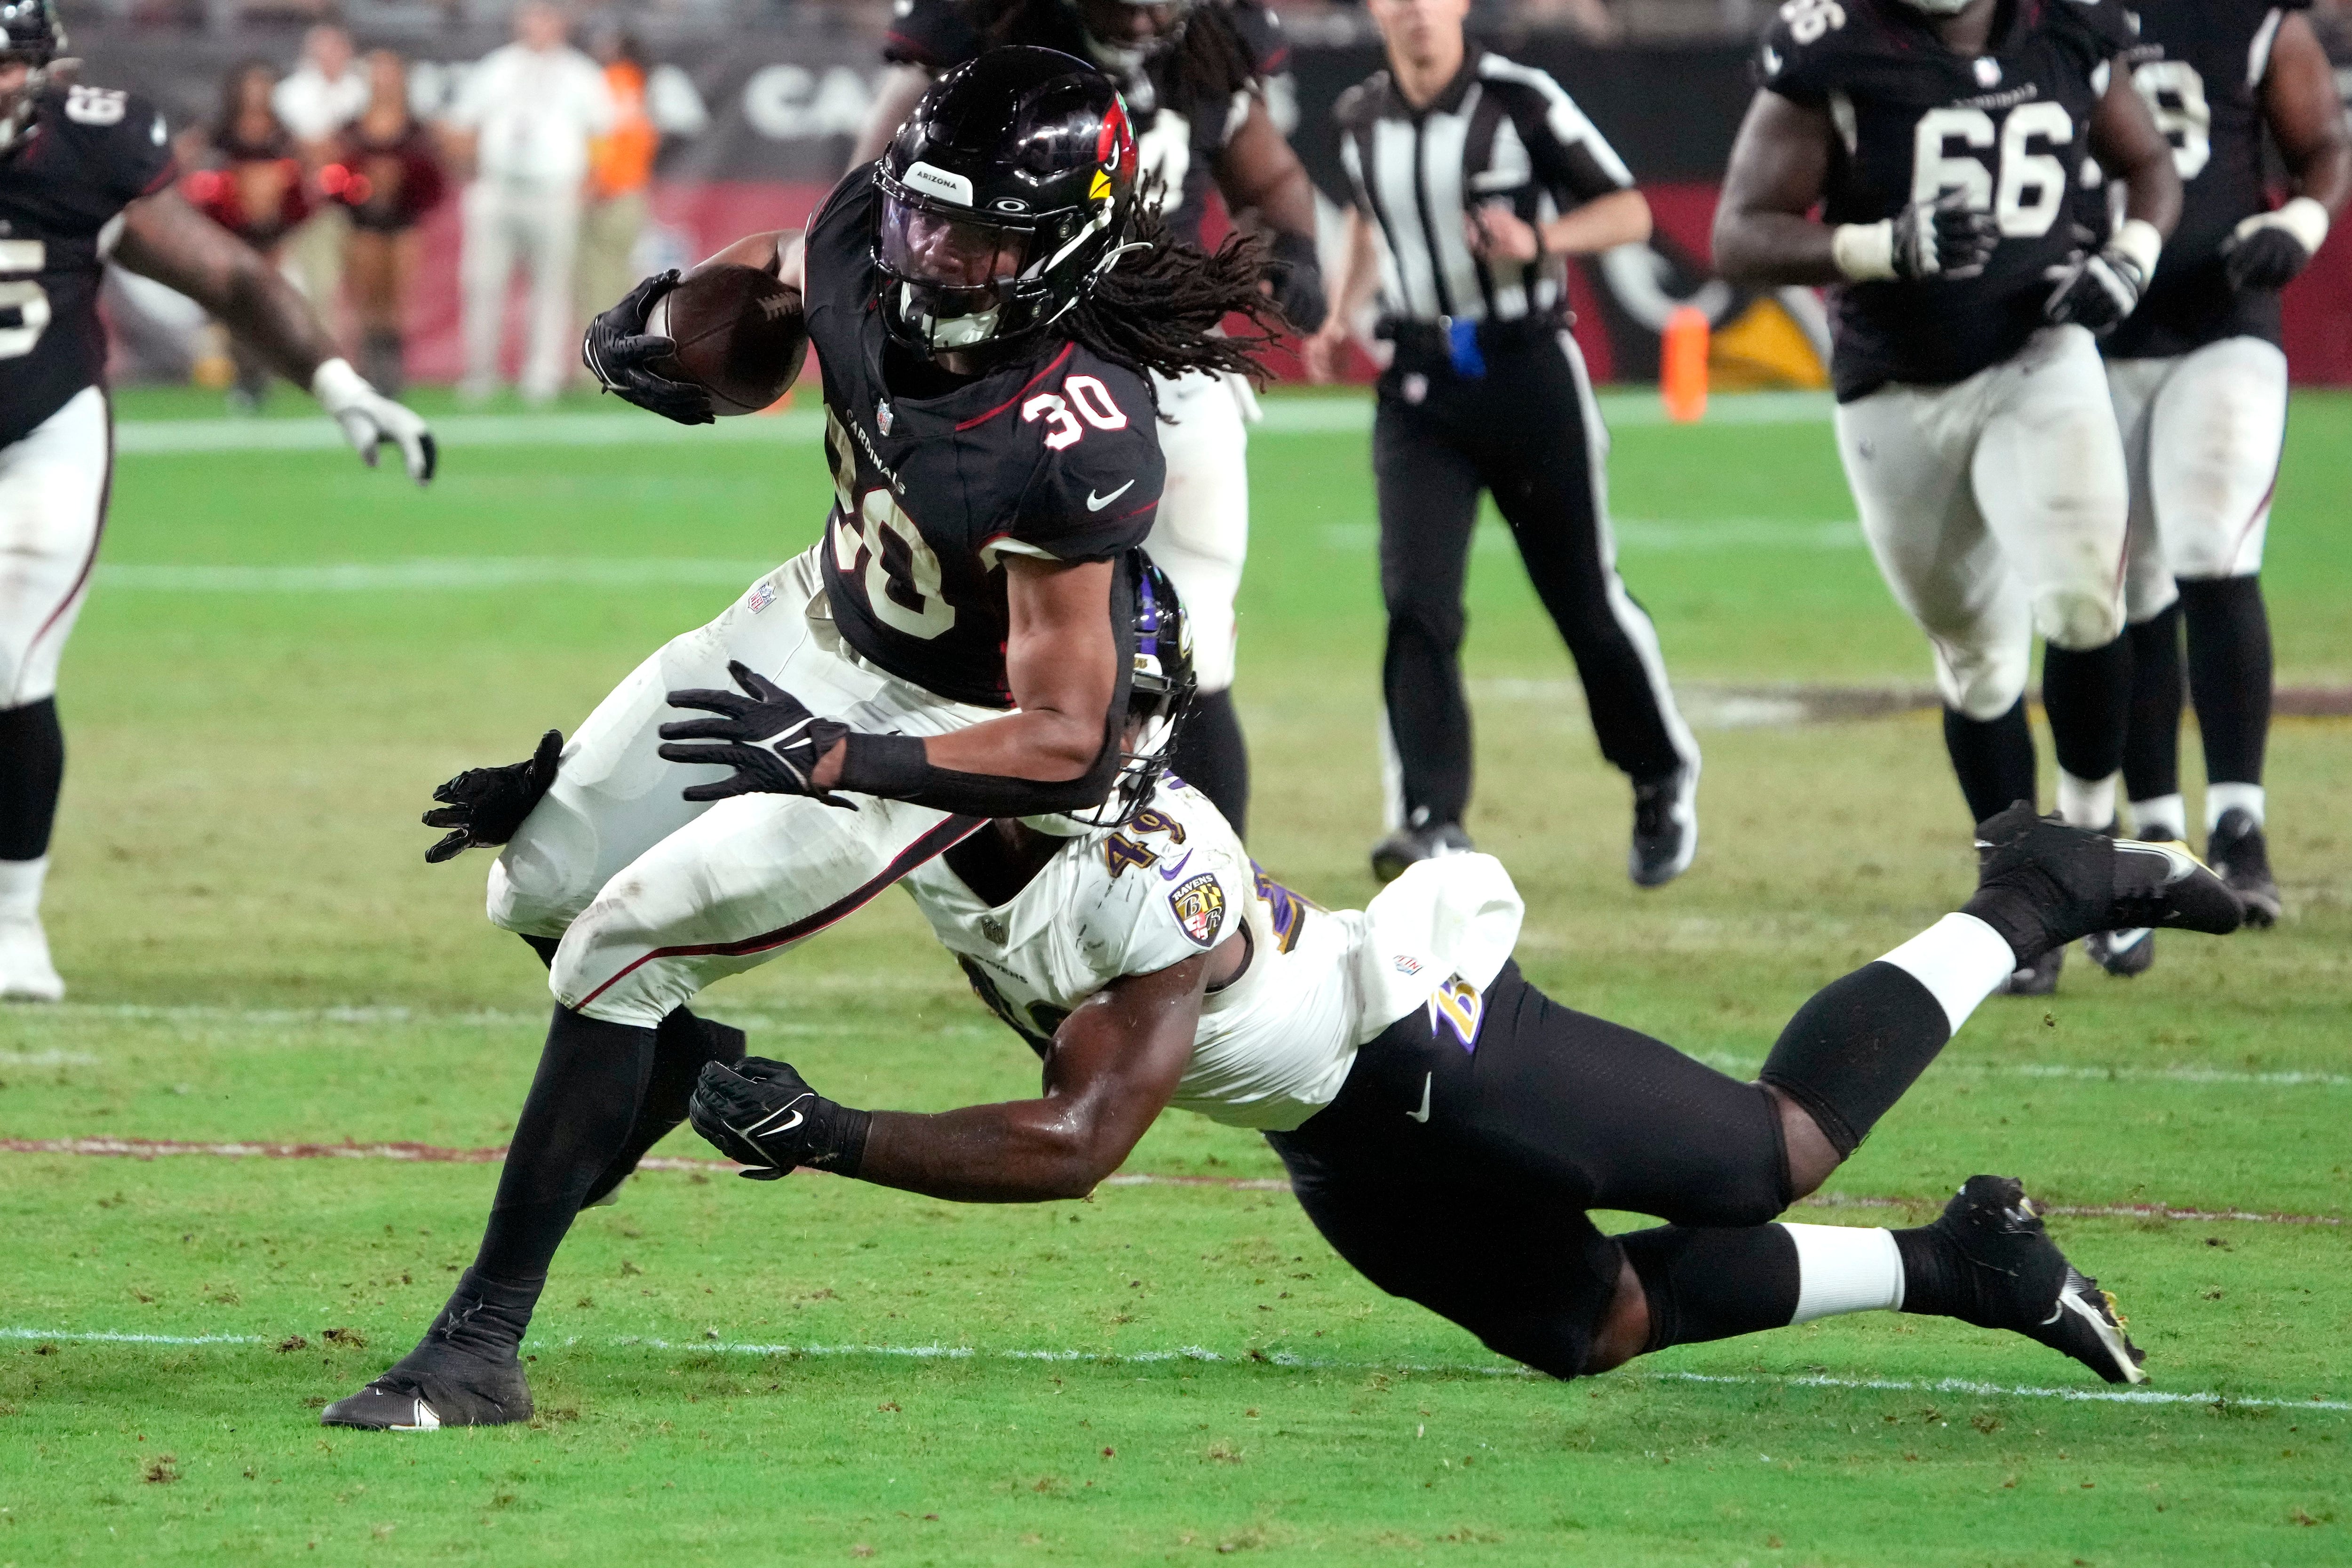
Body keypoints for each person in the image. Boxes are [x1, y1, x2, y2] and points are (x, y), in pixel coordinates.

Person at [318, 48, 1279, 1431]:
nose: (932, 255)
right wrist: (660, 327)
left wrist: (845, 762)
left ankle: (478, 1343)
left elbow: (1067, 738)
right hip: (811, 620)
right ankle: (658, 1077)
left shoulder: (1081, 426)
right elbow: (783, 272)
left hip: (931, 718)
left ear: (1060, 246)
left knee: (615, 943)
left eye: (976, 235)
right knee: (530, 881)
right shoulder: (875, 231)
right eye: (922, 215)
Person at [676, 572, 2241, 1395]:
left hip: (1414, 1032)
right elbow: (775, 791)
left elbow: (1084, 1139)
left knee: (1770, 1157)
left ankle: (2028, 891)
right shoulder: (939, 805)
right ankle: (1961, 1265)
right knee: (1599, 1324)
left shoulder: (1156, 867)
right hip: (1327, 1136)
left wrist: (832, 1131)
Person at [1711, 0, 2183, 994]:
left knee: (2082, 600)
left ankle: (2087, 844)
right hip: (1894, 383)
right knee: (1974, 661)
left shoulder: (2067, 28)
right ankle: (2019, 889)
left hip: (2037, 352)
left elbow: (2150, 168)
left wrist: (2129, 260)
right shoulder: (1836, 46)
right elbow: (1738, 235)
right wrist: (1883, 245)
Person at [0, 0, 434, 1002]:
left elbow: (229, 277)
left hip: (40, 432)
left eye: (8, 66)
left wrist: (341, 384)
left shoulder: (86, 150)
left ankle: (14, 921)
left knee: (12, 658)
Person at [850, 0, 1329, 838]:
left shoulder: (1212, 41)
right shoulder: (987, 24)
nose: (1148, 12)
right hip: (1011, 376)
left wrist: (1293, 249)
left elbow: (1273, 179)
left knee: (1197, 653)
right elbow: (871, 188)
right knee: (995, 661)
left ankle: (1208, 901)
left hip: (1162, 368)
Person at [1300, 0, 1701, 891]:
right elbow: (1368, 216)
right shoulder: (1361, 113)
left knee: (1583, 601)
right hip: (1417, 384)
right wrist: (1338, 315)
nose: (1414, 12)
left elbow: (1629, 211)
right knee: (1417, 603)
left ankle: (1658, 774)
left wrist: (1543, 239)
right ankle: (1430, 818)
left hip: (1527, 376)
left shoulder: (1521, 101)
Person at [2098, 0, 2352, 965]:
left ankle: (2239, 827)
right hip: (2088, 330)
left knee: (2212, 552)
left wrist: (2305, 219)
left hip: (2218, 316)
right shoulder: (2041, 19)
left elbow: (2323, 140)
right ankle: (2151, 840)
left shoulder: (2245, 16)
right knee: (2123, 588)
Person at [442, 0, 614, 404]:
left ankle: (543, 376)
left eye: (544, 16)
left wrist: (588, 184)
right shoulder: (496, 67)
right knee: (483, 283)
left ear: (561, 24)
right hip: (498, 187)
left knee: (551, 288)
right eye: (530, 15)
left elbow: (604, 134)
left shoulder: (581, 74)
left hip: (553, 191)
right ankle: (479, 374)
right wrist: (469, 168)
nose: (536, 24)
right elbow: (462, 124)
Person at [180, 60, 311, 408]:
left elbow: (302, 184)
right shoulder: (219, 134)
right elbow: (198, 177)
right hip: (231, 233)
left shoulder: (283, 136)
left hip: (273, 234)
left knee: (273, 306)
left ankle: (269, 372)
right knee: (236, 307)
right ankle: (244, 375)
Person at [328, 50, 446, 396]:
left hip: (403, 222)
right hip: (363, 223)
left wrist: (403, 189)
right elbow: (335, 177)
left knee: (397, 299)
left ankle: (392, 372)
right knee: (367, 299)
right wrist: (361, 191)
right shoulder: (351, 129)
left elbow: (432, 180)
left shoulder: (416, 130)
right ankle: (368, 367)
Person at [271, 23, 367, 325]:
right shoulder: (290, 93)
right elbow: (295, 147)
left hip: (362, 203)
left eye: (337, 48)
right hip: (305, 204)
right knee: (310, 282)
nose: (331, 56)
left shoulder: (363, 90)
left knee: (363, 288)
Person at [572, 27, 659, 346]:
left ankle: (601, 357)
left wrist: (596, 182)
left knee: (600, 282)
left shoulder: (615, 80)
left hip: (612, 194)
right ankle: (615, 352)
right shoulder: (638, 82)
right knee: (616, 278)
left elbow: (612, 138)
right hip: (631, 191)